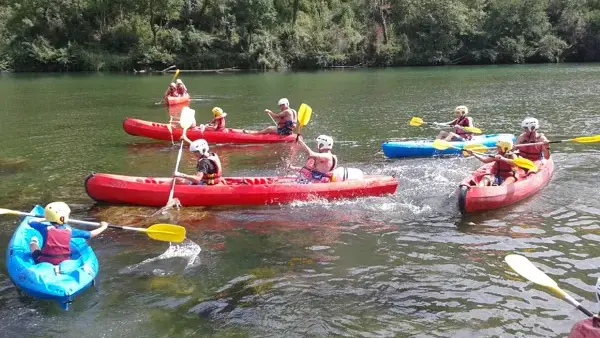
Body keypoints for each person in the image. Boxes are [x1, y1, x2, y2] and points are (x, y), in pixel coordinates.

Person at [28, 202, 108, 273]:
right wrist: (104, 227)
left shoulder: (44, 228)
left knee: (33, 243)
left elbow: (31, 221)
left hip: (44, 261)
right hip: (64, 261)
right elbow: (90, 234)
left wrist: (45, 218)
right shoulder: (70, 230)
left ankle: (34, 241)